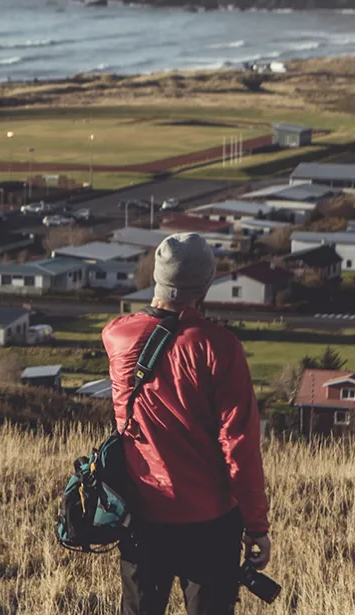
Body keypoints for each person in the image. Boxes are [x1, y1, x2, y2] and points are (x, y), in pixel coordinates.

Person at [101, 233, 271, 615]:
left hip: (141, 514)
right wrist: (256, 525)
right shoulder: (219, 347)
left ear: (157, 277)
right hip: (209, 520)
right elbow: (239, 444)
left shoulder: (117, 336)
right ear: (205, 283)